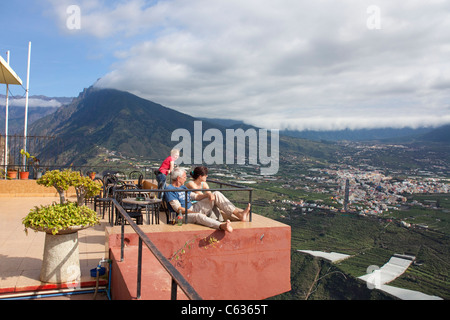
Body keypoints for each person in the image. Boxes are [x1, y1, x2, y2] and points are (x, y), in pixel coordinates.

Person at [165, 168, 234, 232]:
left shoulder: (182, 187)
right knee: (198, 216)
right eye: (184, 177)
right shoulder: (170, 190)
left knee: (216, 194)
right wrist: (194, 213)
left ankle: (236, 213)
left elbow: (196, 197)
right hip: (181, 215)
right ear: (178, 178)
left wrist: (207, 195)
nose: (185, 179)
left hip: (192, 208)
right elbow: (178, 209)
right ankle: (221, 225)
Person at [187, 166, 251, 222]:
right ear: (200, 176)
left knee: (215, 196)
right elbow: (199, 196)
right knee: (216, 194)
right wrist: (210, 195)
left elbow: (210, 194)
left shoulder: (204, 184)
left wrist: (211, 196)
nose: (207, 176)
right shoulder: (191, 184)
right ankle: (238, 214)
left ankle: (226, 218)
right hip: (194, 207)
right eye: (205, 175)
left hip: (201, 205)